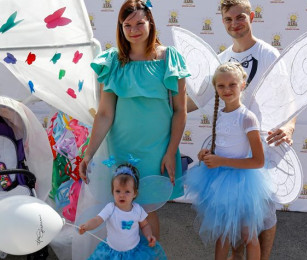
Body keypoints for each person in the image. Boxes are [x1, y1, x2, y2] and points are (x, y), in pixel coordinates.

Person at [187, 1, 296, 259]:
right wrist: (167, 108)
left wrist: (289, 127)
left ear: (251, 17)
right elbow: (199, 97)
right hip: (233, 150)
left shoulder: (269, 54)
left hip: (264, 143)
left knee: (264, 212)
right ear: (222, 21)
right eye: (228, 19)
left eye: (239, 17)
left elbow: (288, 97)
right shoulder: (223, 59)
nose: (234, 24)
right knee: (234, 213)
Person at [79, 0, 190, 240]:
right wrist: (88, 153)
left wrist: (171, 152)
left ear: (151, 22)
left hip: (156, 150)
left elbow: (180, 111)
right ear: (120, 27)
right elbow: (105, 113)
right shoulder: (112, 61)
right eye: (127, 25)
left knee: (146, 211)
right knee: (119, 210)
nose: (134, 30)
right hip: (120, 149)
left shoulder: (169, 59)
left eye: (140, 23)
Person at [185, 62, 273, 260]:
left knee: (248, 235)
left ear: (243, 85)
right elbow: (224, 146)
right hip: (218, 180)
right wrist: (207, 154)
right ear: (215, 88)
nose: (226, 90)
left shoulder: (247, 118)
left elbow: (258, 161)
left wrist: (220, 160)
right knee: (222, 234)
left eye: (232, 84)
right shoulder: (220, 114)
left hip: (244, 183)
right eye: (221, 86)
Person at [79, 163, 167, 259]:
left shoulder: (137, 209)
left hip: (133, 251)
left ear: (134, 193)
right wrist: (87, 226)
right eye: (118, 191)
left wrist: (149, 235)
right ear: (113, 192)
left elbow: (145, 225)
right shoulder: (110, 208)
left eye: (127, 192)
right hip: (111, 251)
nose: (122, 195)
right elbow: (97, 219)